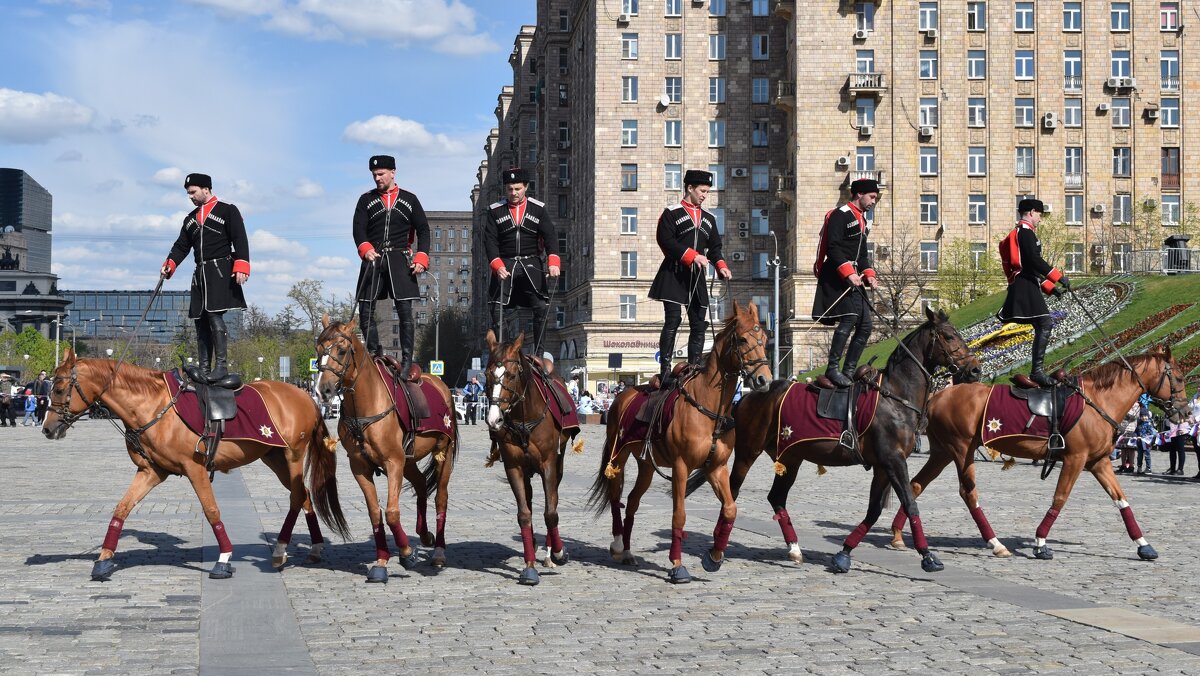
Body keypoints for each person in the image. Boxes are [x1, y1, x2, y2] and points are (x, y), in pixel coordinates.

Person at [161, 173, 250, 385]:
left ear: (206, 189)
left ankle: (221, 367)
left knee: (213, 316)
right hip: (199, 274)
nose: (190, 196)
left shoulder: (228, 210)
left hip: (221, 269)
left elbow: (240, 237)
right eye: (188, 193)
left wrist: (242, 265)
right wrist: (170, 264)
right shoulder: (190, 219)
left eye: (193, 192)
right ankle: (203, 368)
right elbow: (181, 246)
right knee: (200, 321)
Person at [649, 169, 731, 387]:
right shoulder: (672, 212)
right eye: (702, 191)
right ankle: (665, 369)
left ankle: (694, 369)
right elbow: (665, 240)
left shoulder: (709, 219)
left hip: (697, 277)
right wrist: (692, 256)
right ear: (690, 188)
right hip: (674, 273)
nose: (704, 195)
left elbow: (714, 248)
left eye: (707, 191)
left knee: (698, 324)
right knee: (673, 320)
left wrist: (721, 266)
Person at [353, 155, 431, 377]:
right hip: (373, 259)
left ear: (393, 173)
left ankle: (407, 361)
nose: (377, 178)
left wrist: (421, 258)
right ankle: (374, 353)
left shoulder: (410, 199)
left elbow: (423, 229)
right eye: (374, 175)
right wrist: (365, 247)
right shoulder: (365, 200)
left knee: (405, 311)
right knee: (365, 309)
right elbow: (358, 228)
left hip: (399, 259)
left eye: (381, 174)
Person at [484, 167, 561, 354]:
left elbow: (550, 236)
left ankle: (539, 354)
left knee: (541, 308)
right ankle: (502, 352)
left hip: (531, 264)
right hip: (505, 264)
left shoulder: (538, 209)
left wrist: (553, 262)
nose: (514, 193)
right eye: (510, 189)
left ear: (525, 187)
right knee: (496, 309)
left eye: (517, 188)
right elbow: (490, 241)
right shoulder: (495, 211)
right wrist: (497, 265)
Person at [812, 178, 880, 387]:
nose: (873, 202)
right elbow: (832, 248)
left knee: (866, 325)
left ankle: (849, 371)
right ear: (859, 194)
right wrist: (848, 272)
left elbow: (862, 255)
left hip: (855, 279)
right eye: (872, 197)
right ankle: (832, 369)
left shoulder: (863, 220)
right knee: (849, 318)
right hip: (837, 276)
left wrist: (869, 274)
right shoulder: (840, 215)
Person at [998, 198, 1070, 388]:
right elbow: (1033, 262)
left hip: (1026, 282)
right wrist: (1058, 277)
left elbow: (1030, 267)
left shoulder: (1024, 233)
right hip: (1023, 285)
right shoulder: (1026, 233)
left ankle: (1037, 371)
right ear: (1031, 212)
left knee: (1042, 323)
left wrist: (1050, 288)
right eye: (1039, 214)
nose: (1039, 218)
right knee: (1045, 322)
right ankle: (1037, 372)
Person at [1134, 393, 1155, 475]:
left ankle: (1148, 468)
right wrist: (1136, 436)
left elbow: (1152, 433)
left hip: (1146, 442)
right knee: (1139, 455)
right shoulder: (1138, 424)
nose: (1144, 417)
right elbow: (1136, 431)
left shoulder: (1149, 424)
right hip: (1139, 442)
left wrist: (1148, 438)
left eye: (1146, 416)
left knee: (1147, 455)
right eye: (1143, 416)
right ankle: (1139, 467)